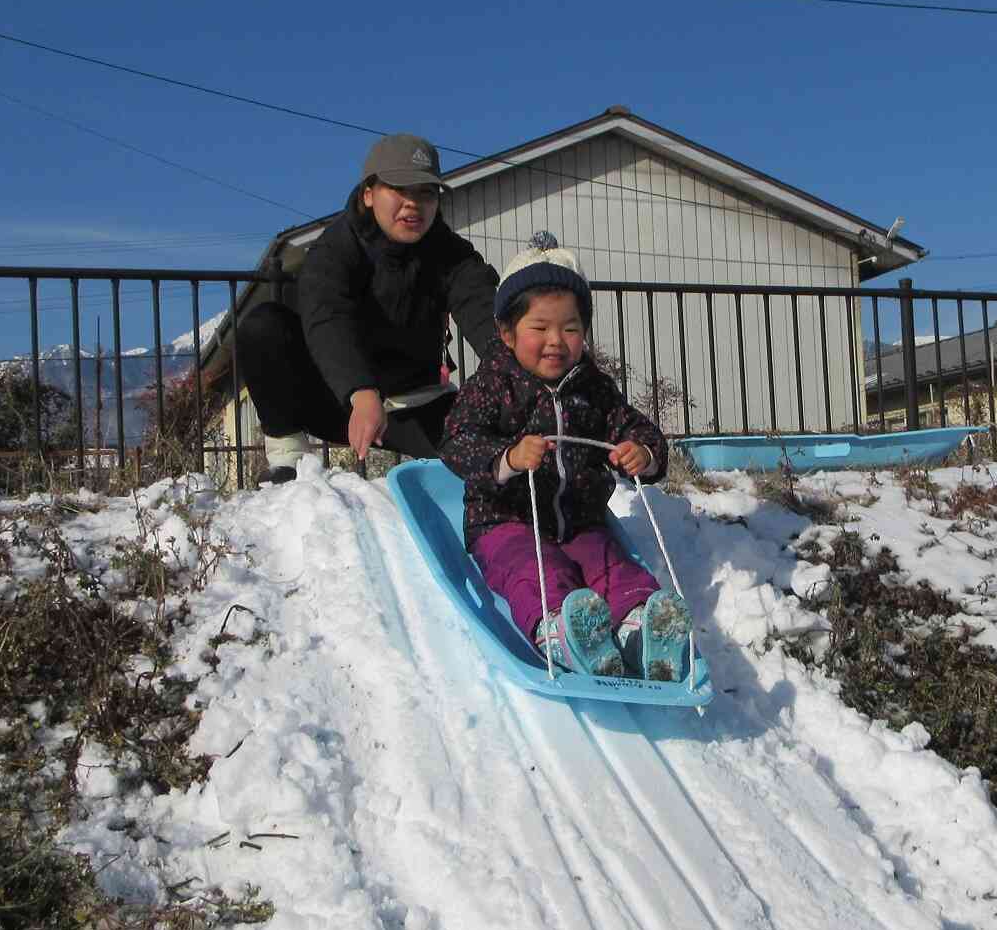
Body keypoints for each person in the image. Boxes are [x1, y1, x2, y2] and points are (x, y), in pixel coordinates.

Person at [439, 235, 691, 680]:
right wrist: (510, 456)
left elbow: (632, 426)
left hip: (580, 520)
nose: (556, 341)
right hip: (505, 521)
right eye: (539, 328)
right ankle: (565, 635)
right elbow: (458, 438)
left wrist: (643, 454)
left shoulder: (592, 386)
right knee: (536, 571)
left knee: (612, 569)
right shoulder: (494, 383)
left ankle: (644, 631)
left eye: (570, 328)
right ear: (507, 332)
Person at [235, 133, 499, 481]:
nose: (413, 204)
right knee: (263, 326)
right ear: (369, 194)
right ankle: (288, 459)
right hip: (338, 401)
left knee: (486, 451)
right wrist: (360, 391)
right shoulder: (334, 250)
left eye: (425, 192)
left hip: (413, 404)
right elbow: (327, 317)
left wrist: (522, 373)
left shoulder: (452, 255)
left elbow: (485, 314)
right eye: (400, 190)